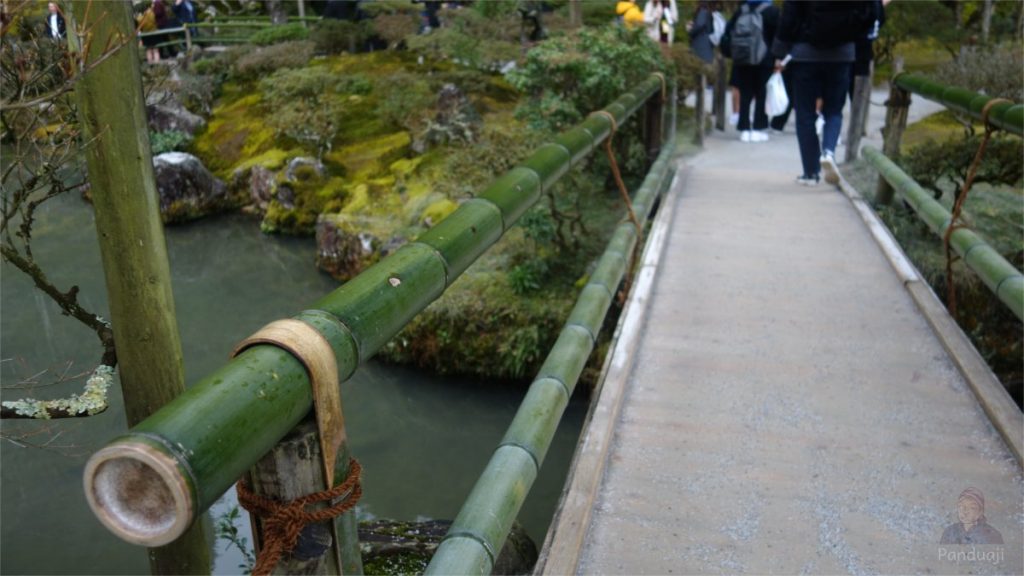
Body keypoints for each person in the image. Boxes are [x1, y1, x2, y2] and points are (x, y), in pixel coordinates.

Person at [771, 0, 874, 186]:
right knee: (834, 111)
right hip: (842, 54)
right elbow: (869, 13)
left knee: (805, 114)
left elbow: (789, 17)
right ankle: (828, 152)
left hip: (805, 54)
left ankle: (810, 173)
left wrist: (779, 50)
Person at [722, 0, 778, 142]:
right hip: (764, 58)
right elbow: (778, 35)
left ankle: (744, 127)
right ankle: (759, 127)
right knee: (761, 93)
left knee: (745, 92)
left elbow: (728, 31)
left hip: (743, 58)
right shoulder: (771, 10)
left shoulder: (742, 9)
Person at [939, 488, 1004, 545]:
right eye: (961, 506)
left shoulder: (993, 535)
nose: (965, 511)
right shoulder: (949, 532)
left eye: (972, 507)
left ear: (980, 511)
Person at [686, 1, 714, 65]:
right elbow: (710, 29)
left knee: (700, 68)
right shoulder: (708, 13)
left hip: (700, 46)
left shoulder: (703, 12)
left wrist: (691, 30)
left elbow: (699, 25)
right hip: (707, 47)